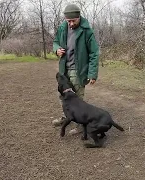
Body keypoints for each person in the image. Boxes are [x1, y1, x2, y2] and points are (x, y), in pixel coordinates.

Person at [52, 3, 100, 135]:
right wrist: (56, 49)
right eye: (68, 21)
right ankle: (66, 117)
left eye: (73, 20)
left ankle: (80, 124)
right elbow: (55, 41)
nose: (71, 24)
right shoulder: (63, 28)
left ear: (79, 17)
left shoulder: (87, 31)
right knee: (63, 96)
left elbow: (94, 53)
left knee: (78, 98)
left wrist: (92, 73)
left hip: (78, 70)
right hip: (64, 69)